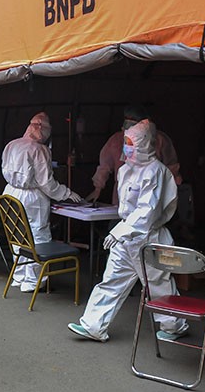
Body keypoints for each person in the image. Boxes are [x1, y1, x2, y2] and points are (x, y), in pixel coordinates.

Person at [69, 120, 188, 342]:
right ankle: (93, 325)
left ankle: (175, 325)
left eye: (130, 142)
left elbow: (148, 211)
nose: (126, 147)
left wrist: (120, 230)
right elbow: (128, 208)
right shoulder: (126, 170)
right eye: (125, 141)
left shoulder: (156, 172)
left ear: (143, 143)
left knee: (158, 285)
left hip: (150, 237)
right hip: (126, 239)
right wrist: (121, 231)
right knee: (112, 280)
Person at [1, 112, 84, 293]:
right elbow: (46, 183)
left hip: (10, 192)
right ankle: (34, 281)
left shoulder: (12, 145)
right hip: (32, 198)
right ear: (44, 130)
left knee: (18, 236)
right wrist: (66, 193)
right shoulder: (39, 150)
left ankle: (20, 276)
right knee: (38, 237)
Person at [86, 104, 181, 204]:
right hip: (122, 198)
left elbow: (171, 168)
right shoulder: (116, 141)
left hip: (151, 196)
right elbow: (104, 166)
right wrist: (98, 188)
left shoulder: (160, 140)